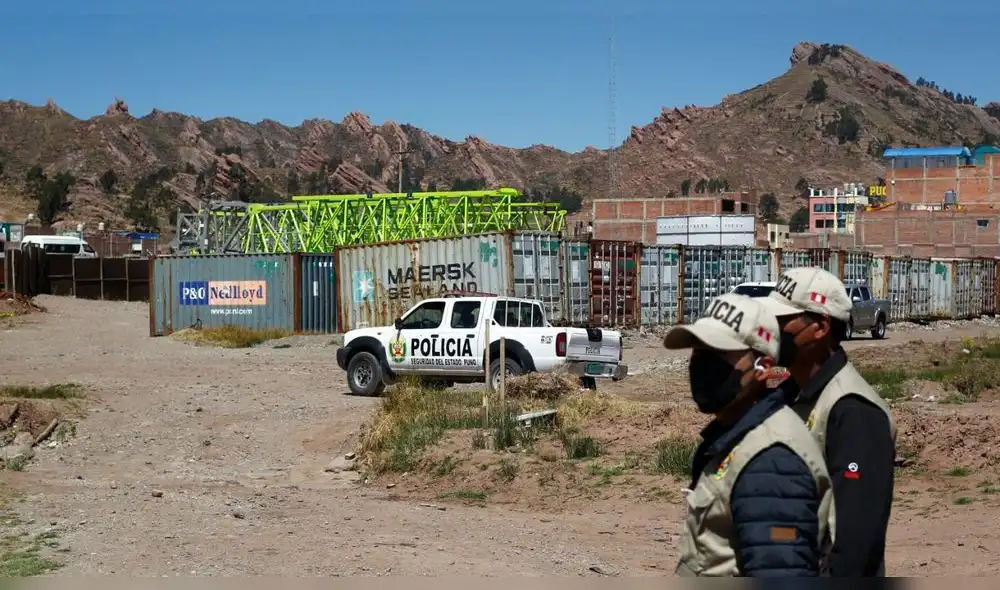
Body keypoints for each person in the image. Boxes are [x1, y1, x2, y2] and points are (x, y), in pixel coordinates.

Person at [664, 293, 833, 577]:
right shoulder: (737, 438)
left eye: (718, 353)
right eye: (699, 351)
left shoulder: (771, 463)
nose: (702, 365)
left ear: (763, 368)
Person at [759, 267, 897, 577]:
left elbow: (855, 543)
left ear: (820, 328)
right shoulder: (790, 395)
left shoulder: (854, 413)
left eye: (781, 321)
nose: (769, 329)